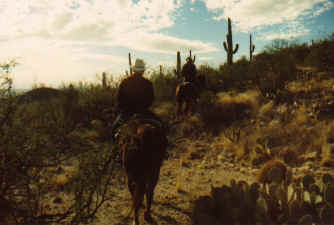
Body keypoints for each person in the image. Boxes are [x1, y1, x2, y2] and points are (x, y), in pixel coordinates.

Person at [111, 58, 163, 139]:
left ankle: (114, 150)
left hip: (127, 112)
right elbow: (151, 99)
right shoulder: (148, 83)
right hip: (144, 112)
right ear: (143, 71)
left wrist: (124, 108)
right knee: (161, 125)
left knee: (114, 128)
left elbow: (119, 99)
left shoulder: (125, 82)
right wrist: (143, 107)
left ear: (134, 70)